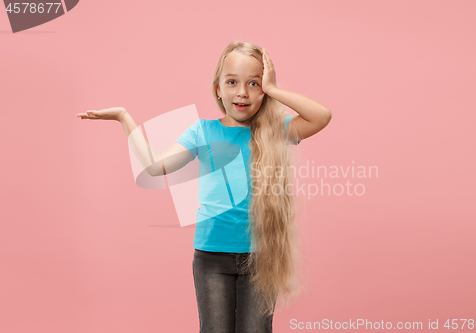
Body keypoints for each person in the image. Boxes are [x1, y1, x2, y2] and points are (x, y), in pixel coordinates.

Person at [76, 40, 332, 333]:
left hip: (261, 257)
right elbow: (154, 166)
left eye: (254, 83)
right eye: (232, 82)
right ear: (218, 89)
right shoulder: (202, 131)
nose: (242, 93)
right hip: (211, 257)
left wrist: (274, 89)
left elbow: (322, 115)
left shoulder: (276, 131)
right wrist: (124, 117)